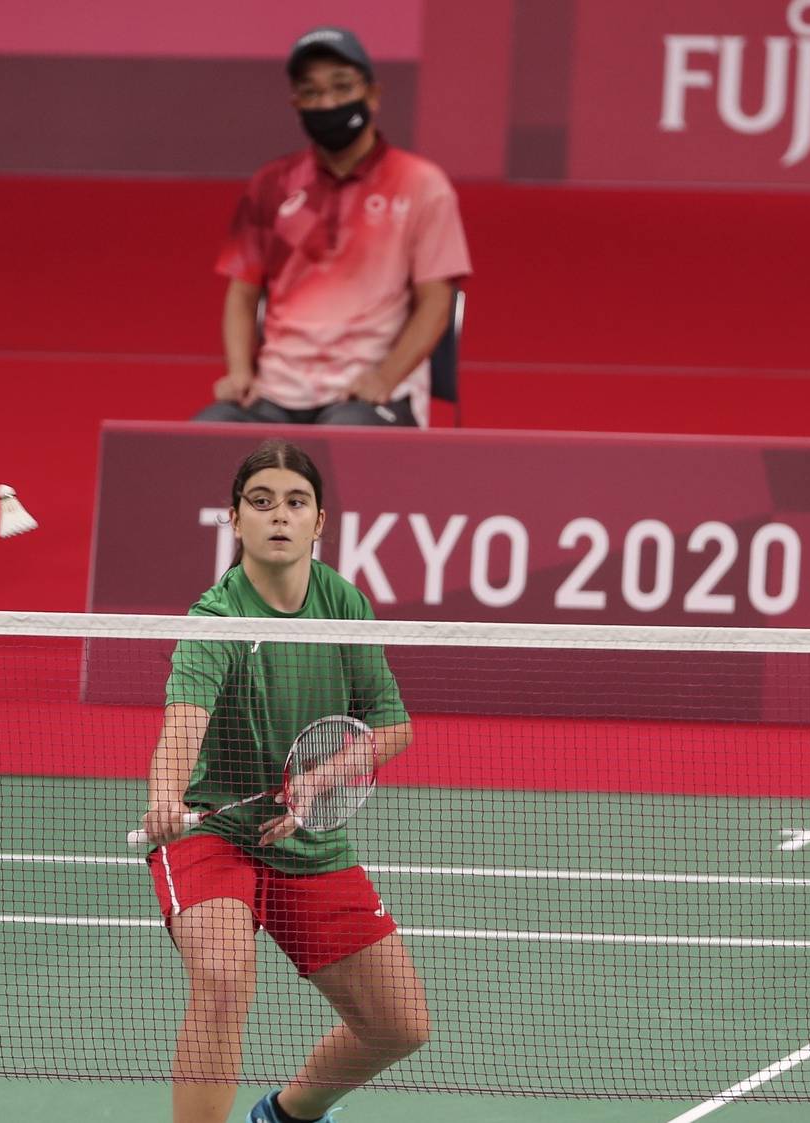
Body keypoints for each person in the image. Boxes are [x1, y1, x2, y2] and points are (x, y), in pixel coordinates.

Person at [139, 440, 429, 1123]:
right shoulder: (215, 618)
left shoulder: (342, 603)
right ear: (234, 519)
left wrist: (319, 779)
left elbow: (392, 726)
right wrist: (165, 795)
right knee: (222, 976)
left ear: (318, 521)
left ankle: (290, 1113)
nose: (278, 515)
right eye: (260, 501)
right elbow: (184, 721)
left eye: (295, 502)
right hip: (212, 830)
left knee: (400, 1025)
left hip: (302, 834)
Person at [196, 27, 471, 429]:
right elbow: (241, 294)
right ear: (296, 102)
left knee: (334, 450)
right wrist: (240, 372)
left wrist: (386, 377)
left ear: (373, 95)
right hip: (276, 392)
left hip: (369, 392)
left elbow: (436, 303)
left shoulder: (421, 184)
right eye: (312, 92)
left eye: (342, 88)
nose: (327, 103)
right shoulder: (271, 184)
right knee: (201, 439)